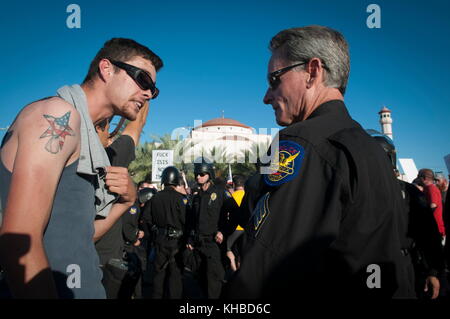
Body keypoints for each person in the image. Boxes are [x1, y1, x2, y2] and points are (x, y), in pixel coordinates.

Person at [224, 26, 415, 299]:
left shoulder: (300, 142)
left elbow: (267, 266)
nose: (266, 97)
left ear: (313, 71)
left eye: (274, 80)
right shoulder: (370, 147)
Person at [0, 38, 163, 298]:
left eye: (153, 90)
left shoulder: (91, 146)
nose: (148, 93)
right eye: (143, 80)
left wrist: (124, 202)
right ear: (107, 69)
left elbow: (80, 238)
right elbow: (17, 240)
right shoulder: (55, 116)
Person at [371, 132, 445, 299]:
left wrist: (433, 270)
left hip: (402, 264)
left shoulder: (408, 191)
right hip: (369, 265)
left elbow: (428, 232)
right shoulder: (360, 190)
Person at [186, 160, 228, 299]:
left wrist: (223, 231)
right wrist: (190, 239)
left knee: (214, 282)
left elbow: (236, 214)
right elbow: (192, 221)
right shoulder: (196, 197)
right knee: (201, 281)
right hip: (198, 245)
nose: (198, 177)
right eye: (197, 174)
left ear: (209, 174)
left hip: (213, 244)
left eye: (202, 174)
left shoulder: (220, 193)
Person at [143, 166, 186, 298]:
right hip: (177, 242)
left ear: (163, 180)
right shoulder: (181, 199)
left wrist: (154, 232)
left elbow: (146, 219)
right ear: (176, 181)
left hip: (160, 241)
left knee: (159, 276)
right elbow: (187, 221)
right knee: (175, 277)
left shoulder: (154, 198)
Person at [418, 169, 446, 244]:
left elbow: (433, 205)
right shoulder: (428, 188)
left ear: (424, 178)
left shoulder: (431, 188)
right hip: (432, 228)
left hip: (436, 230)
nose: (417, 178)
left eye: (419, 176)